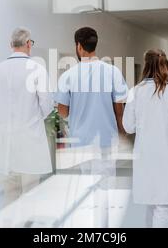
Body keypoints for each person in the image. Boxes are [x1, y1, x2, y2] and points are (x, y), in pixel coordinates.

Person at [55, 27, 128, 227]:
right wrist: (122, 134)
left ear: (78, 46)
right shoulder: (112, 71)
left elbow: (62, 112)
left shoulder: (68, 76)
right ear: (95, 44)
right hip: (106, 141)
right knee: (106, 192)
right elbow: (119, 109)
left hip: (80, 144)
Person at [0, 27, 53, 206]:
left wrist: (4, 118)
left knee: (10, 196)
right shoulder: (37, 69)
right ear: (29, 44)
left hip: (6, 144)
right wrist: (32, 119)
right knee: (30, 195)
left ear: (10, 45)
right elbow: (47, 105)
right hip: (30, 143)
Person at [123, 49, 168, 228]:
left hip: (144, 155)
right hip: (167, 155)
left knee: (152, 203)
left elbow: (128, 127)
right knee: (163, 206)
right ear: (166, 65)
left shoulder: (134, 92)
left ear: (145, 65)